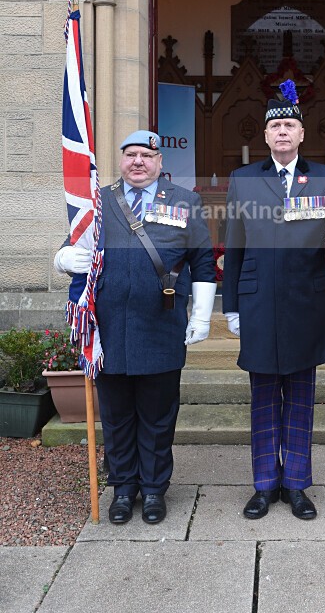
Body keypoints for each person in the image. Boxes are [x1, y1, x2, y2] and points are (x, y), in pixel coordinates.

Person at [54, 131, 216, 525]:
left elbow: (204, 263)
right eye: (130, 154)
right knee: (117, 416)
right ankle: (124, 488)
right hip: (108, 331)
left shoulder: (185, 202)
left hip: (161, 326)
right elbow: (69, 246)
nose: (138, 161)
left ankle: (156, 489)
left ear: (160, 162)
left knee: (159, 416)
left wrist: (201, 316)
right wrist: (65, 260)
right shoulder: (100, 202)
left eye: (147, 155)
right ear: (121, 160)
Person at [222, 83, 325, 520]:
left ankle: (295, 484)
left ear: (301, 134)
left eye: (289, 125)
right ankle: (263, 485)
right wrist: (232, 305)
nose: (282, 132)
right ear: (265, 135)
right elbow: (234, 245)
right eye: (275, 125)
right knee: (261, 396)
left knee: (300, 396)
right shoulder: (243, 179)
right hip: (258, 301)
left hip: (305, 299)